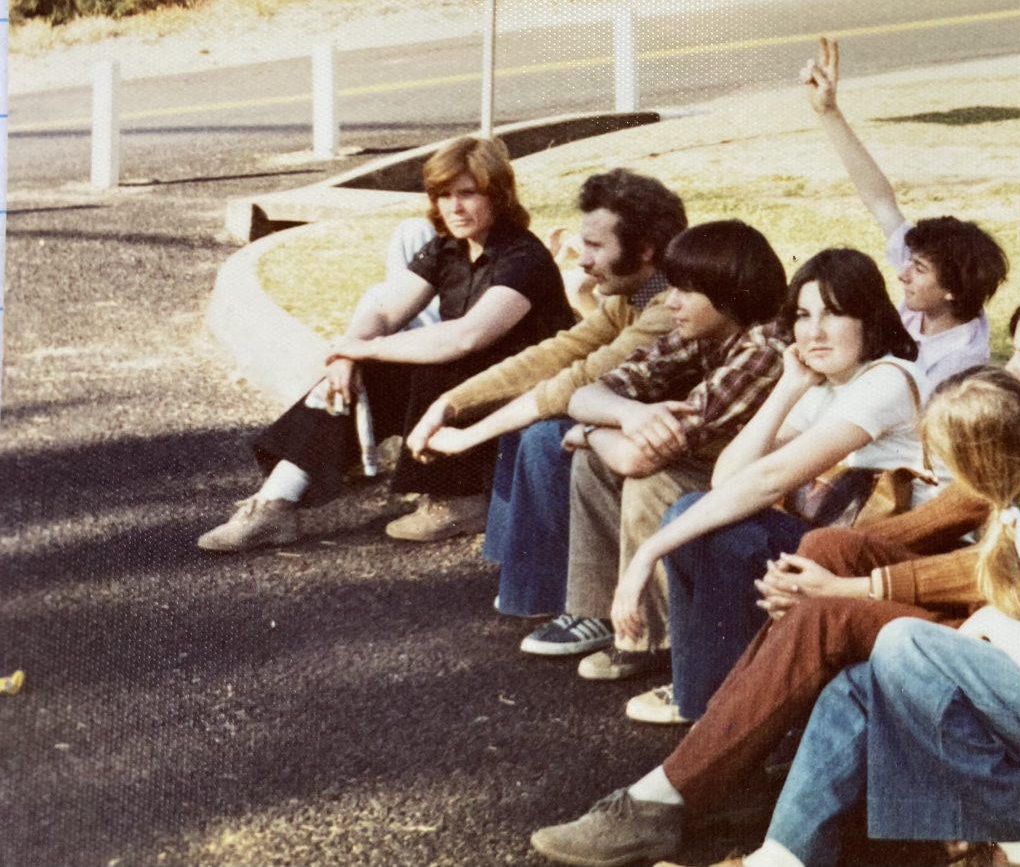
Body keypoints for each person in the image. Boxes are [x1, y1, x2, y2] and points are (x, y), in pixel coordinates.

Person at [528, 293, 1020, 867]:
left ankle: (674, 790)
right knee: (830, 547)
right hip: (1013, 629)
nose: (1008, 372)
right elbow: (935, 522)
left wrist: (858, 592)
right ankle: (740, 767)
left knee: (834, 613)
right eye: (1012, 353)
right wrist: (819, 569)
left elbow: (987, 569)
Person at [673, 367, 1020, 867]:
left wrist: (992, 624)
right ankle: (782, 856)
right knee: (862, 683)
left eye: (952, 465)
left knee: (906, 643)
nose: (948, 480)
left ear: (983, 459)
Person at [197, 135, 575, 552]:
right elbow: (384, 309)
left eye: (467, 194)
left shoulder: (524, 258)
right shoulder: (448, 247)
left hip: (523, 389)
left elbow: (468, 336)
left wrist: (365, 349)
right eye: (444, 195)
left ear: (497, 195)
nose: (454, 207)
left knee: (436, 361)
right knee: (369, 369)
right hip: (471, 380)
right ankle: (275, 505)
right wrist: (348, 352)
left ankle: (460, 500)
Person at [609, 248, 935, 724]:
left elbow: (768, 480)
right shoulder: (826, 384)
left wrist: (648, 552)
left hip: (877, 554)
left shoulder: (886, 379)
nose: (815, 331)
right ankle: (706, 691)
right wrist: (787, 387)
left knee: (709, 525)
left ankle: (716, 708)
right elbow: (729, 476)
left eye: (835, 313)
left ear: (869, 317)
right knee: (694, 512)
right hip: (828, 542)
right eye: (804, 316)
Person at [518, 221, 791, 675]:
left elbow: (637, 457)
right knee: (595, 461)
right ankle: (600, 613)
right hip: (717, 467)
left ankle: (652, 641)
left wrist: (589, 431)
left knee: (650, 478)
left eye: (686, 290)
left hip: (765, 492)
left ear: (727, 294)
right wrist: (627, 415)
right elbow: (586, 393)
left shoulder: (763, 349)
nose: (671, 302)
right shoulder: (705, 333)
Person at [396, 169, 685, 549]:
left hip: (684, 451)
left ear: (645, 250)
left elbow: (582, 378)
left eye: (596, 247)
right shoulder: (627, 299)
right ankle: (512, 575)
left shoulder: (671, 307)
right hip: (640, 430)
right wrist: (449, 404)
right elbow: (553, 354)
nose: (583, 260)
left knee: (545, 433)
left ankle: (546, 594)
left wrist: (469, 436)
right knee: (525, 423)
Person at [803, 36, 1008, 385]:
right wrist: (829, 113)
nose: (902, 275)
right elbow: (880, 199)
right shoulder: (933, 299)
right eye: (909, 262)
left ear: (952, 291)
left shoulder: (960, 362)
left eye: (918, 269)